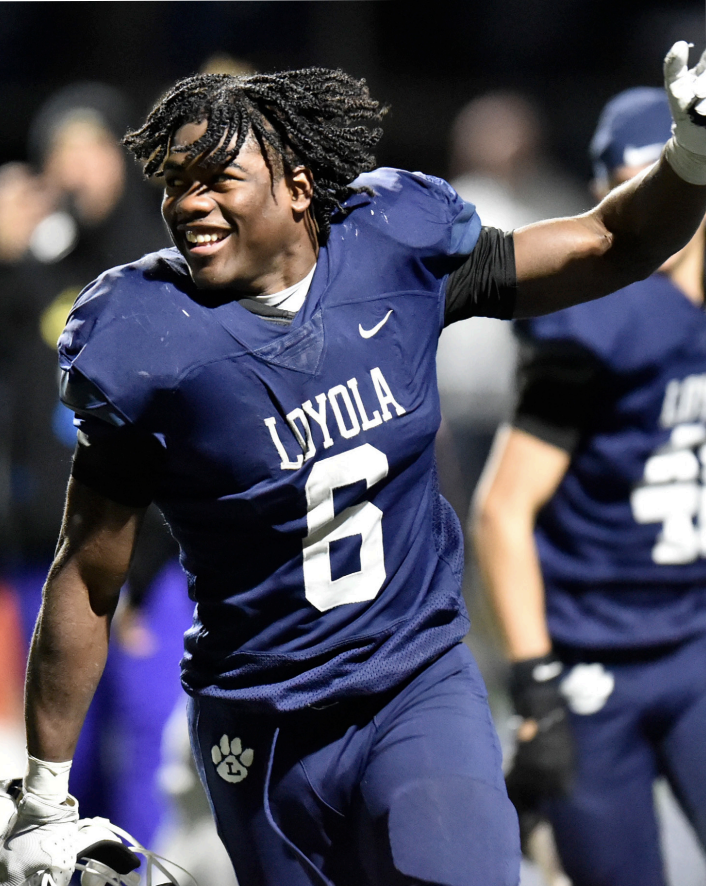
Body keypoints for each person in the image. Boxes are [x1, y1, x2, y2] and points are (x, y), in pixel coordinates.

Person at [3, 42, 706, 886]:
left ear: (298, 187)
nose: (189, 204)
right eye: (174, 184)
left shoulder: (392, 250)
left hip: (410, 682)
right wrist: (43, 795)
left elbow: (610, 240)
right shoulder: (146, 336)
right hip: (260, 721)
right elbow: (85, 576)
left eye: (217, 180)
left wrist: (691, 155)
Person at [472, 86, 706, 886]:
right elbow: (504, 510)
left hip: (696, 638)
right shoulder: (602, 321)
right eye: (638, 185)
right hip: (597, 655)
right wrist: (536, 689)